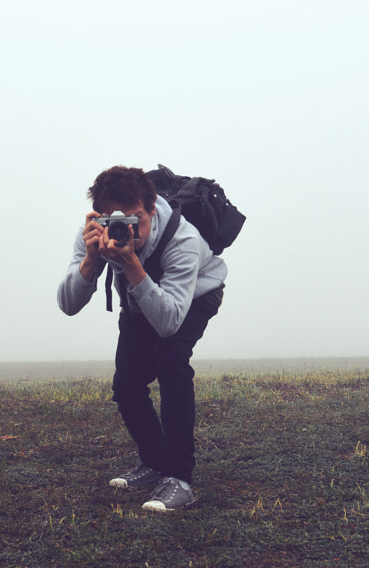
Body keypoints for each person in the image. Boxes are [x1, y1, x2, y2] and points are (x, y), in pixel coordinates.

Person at [57, 165, 227, 511]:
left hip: (195, 297)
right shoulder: (94, 232)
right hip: (140, 295)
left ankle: (179, 478)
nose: (128, 232)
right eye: (116, 221)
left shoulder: (184, 240)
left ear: (152, 208)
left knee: (170, 359)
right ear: (99, 217)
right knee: (127, 384)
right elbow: (68, 305)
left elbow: (169, 322)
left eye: (137, 220)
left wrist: (132, 265)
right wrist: (90, 260)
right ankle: (153, 463)